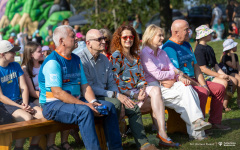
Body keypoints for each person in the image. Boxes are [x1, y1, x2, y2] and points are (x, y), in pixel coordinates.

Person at [38, 25, 122, 150]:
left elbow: (85, 85)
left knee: (108, 107)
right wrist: (85, 105)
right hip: (52, 105)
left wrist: (93, 102)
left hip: (73, 102)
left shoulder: (76, 59)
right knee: (85, 111)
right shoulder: (53, 62)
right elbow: (58, 93)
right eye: (72, 36)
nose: (77, 38)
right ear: (62, 41)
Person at [78, 28, 159, 150]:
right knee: (115, 104)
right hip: (89, 97)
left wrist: (119, 96)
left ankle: (143, 144)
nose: (104, 42)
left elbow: (111, 82)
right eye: (99, 39)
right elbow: (89, 87)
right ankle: (113, 144)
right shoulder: (81, 60)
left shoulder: (104, 59)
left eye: (104, 39)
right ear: (88, 43)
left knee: (133, 106)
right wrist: (116, 96)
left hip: (107, 94)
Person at [141, 24, 211, 140]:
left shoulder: (162, 52)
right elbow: (157, 74)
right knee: (186, 98)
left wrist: (179, 78)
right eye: (160, 35)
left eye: (162, 35)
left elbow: (174, 69)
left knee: (187, 88)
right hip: (154, 89)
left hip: (168, 84)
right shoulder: (145, 53)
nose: (162, 38)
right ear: (150, 36)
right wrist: (173, 75)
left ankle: (198, 123)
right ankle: (198, 132)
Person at [162, 20, 231, 132]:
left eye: (189, 29)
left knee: (219, 88)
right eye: (186, 29)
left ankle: (214, 122)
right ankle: (199, 127)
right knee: (203, 92)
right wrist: (199, 85)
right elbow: (177, 72)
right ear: (176, 32)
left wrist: (203, 84)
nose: (189, 31)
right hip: (181, 81)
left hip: (194, 79)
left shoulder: (187, 44)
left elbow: (196, 67)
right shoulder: (169, 47)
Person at [0, 40, 43, 150]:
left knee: (44, 115)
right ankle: (18, 148)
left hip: (20, 101)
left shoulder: (15, 65)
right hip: (5, 105)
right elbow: (1, 97)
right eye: (12, 52)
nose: (15, 54)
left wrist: (24, 103)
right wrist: (21, 107)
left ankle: (34, 145)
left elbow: (23, 86)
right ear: (2, 54)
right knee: (27, 118)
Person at [194, 25, 238, 112]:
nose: (211, 34)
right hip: (203, 75)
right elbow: (203, 69)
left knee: (234, 81)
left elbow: (215, 65)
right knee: (223, 83)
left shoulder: (209, 48)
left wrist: (223, 75)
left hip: (212, 73)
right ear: (204, 36)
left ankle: (223, 106)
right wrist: (219, 76)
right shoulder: (199, 50)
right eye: (209, 33)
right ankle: (214, 109)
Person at [220, 39, 240, 108]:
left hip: (235, 73)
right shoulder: (225, 57)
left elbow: (238, 66)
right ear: (231, 48)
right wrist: (232, 55)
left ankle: (238, 99)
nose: (236, 46)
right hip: (229, 74)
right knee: (238, 80)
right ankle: (238, 100)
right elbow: (234, 66)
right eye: (234, 46)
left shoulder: (236, 55)